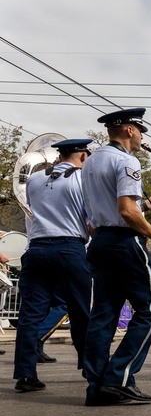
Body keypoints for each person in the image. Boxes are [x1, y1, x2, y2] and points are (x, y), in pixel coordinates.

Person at [81, 108, 151, 406]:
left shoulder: (91, 162)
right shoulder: (127, 161)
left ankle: (96, 386)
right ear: (130, 130)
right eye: (141, 130)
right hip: (124, 242)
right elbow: (125, 210)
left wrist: (147, 204)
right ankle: (119, 377)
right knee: (150, 310)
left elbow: (102, 210)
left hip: (101, 241)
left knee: (104, 314)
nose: (142, 137)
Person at [12, 138, 93, 393]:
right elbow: (92, 221)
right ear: (82, 157)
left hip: (36, 248)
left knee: (30, 315)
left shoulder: (34, 180)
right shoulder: (84, 179)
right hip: (69, 248)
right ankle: (90, 369)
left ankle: (25, 375)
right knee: (81, 312)